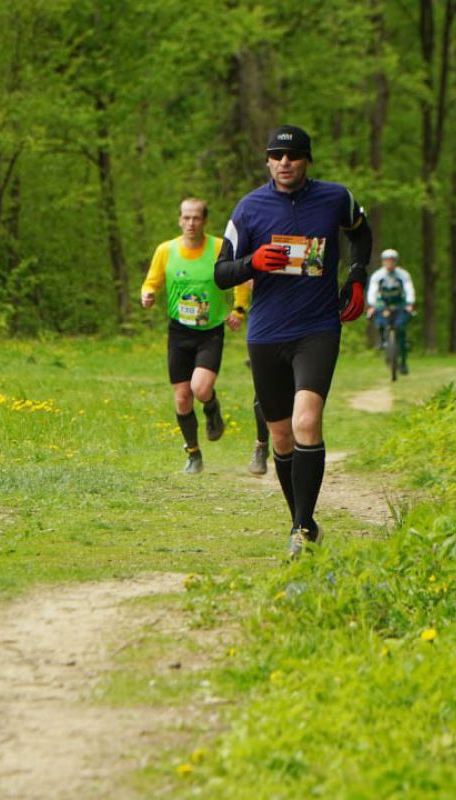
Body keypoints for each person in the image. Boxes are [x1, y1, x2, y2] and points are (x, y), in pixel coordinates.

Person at [213, 124, 372, 559]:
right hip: (266, 334)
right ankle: (302, 521)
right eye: (277, 157)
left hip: (317, 328)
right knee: (281, 435)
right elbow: (221, 272)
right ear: (267, 161)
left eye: (294, 156)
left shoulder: (335, 197)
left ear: (307, 161)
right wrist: (253, 261)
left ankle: (301, 528)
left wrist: (357, 276)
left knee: (306, 423)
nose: (285, 163)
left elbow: (361, 232)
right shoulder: (248, 210)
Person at [142, 198, 251, 474]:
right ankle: (193, 453)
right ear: (179, 220)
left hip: (209, 331)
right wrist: (148, 293)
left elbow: (240, 278)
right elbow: (152, 280)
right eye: (186, 218)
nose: (191, 223)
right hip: (179, 331)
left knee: (200, 389)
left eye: (196, 218)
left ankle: (211, 407)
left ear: (204, 221)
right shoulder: (166, 250)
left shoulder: (218, 248)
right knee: (181, 398)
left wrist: (239, 310)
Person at [366, 248, 416, 374]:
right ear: (383, 262)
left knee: (401, 330)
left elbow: (409, 289)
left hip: (400, 305)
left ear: (396, 262)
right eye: (387, 261)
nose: (389, 264)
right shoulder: (378, 275)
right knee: (380, 322)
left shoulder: (403, 275)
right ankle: (383, 341)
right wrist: (371, 305)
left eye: (392, 261)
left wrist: (410, 303)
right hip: (383, 305)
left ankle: (403, 362)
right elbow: (372, 291)